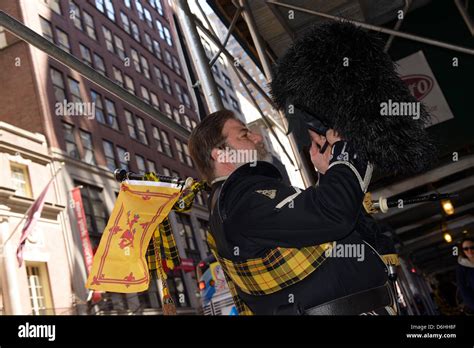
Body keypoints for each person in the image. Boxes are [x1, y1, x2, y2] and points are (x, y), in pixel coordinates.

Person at [188, 110, 396, 315]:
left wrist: (328, 174)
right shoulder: (240, 199)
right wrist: (343, 153)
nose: (258, 137)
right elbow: (332, 215)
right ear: (220, 154)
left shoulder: (233, 203)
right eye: (244, 134)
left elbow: (315, 232)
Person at [457, 237, 474, 314]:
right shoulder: (462, 268)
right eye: (466, 249)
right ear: (463, 251)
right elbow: (463, 289)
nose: (470, 251)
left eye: (472, 247)